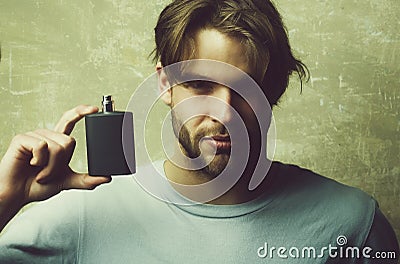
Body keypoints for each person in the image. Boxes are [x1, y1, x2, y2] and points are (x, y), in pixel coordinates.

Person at [0, 0, 398, 263]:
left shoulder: (353, 223)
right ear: (165, 86)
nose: (222, 112)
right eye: (200, 85)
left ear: (272, 90)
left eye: (246, 88)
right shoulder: (83, 214)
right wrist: (5, 200)